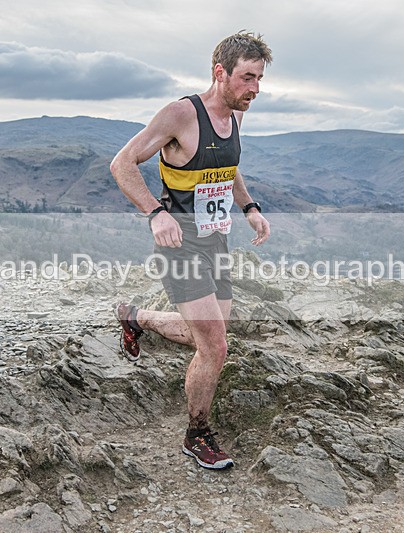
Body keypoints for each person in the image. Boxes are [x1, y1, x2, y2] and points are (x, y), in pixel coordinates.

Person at [110, 31, 272, 470]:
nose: (255, 89)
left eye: (259, 79)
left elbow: (228, 169)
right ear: (220, 72)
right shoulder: (181, 115)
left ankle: (135, 317)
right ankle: (196, 434)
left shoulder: (235, 117)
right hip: (179, 245)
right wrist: (154, 213)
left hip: (215, 240)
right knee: (215, 347)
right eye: (247, 78)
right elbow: (122, 164)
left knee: (209, 330)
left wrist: (250, 207)